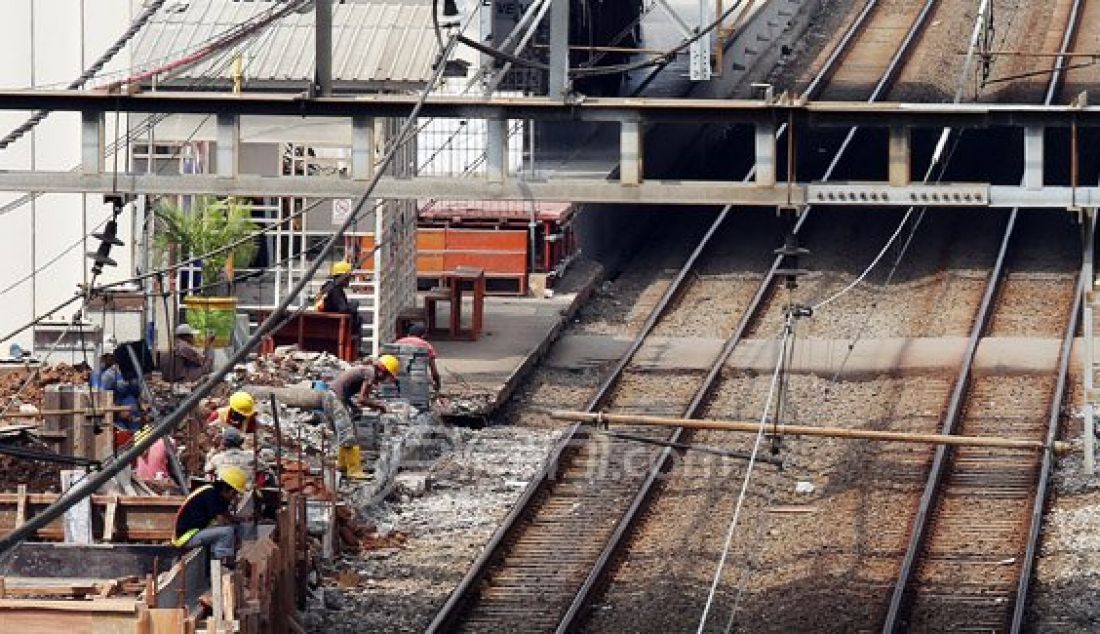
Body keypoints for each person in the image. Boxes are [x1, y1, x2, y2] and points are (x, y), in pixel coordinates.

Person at [323, 355, 399, 478]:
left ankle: (342, 465)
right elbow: (362, 399)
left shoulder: (367, 370)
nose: (385, 380)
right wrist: (381, 406)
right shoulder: (371, 373)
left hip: (331, 397)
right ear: (383, 371)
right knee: (348, 435)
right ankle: (355, 471)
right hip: (334, 399)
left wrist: (353, 406)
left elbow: (347, 392)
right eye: (387, 376)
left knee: (346, 431)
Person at [172, 466, 249, 563]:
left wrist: (243, 520)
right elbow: (221, 521)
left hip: (197, 531)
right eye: (234, 494)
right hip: (186, 537)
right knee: (227, 531)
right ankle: (221, 564)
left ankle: (232, 557)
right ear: (227, 489)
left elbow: (227, 516)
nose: (234, 497)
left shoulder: (218, 495)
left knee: (234, 528)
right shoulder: (210, 494)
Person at [96, 339, 143, 431]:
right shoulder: (109, 375)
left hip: (135, 417)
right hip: (120, 420)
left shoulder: (133, 373)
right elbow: (103, 399)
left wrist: (143, 408)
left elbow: (139, 393)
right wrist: (119, 412)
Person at [317, 261, 362, 343]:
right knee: (357, 317)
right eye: (348, 277)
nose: (349, 280)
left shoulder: (329, 286)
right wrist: (354, 305)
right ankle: (355, 346)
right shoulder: (335, 289)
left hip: (328, 320)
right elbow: (343, 309)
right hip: (331, 323)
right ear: (342, 276)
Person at [394, 323, 442, 391]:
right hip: (418, 379)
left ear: (408, 334)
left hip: (398, 378)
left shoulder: (397, 343)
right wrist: (437, 383)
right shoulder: (426, 345)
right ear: (423, 336)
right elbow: (433, 369)